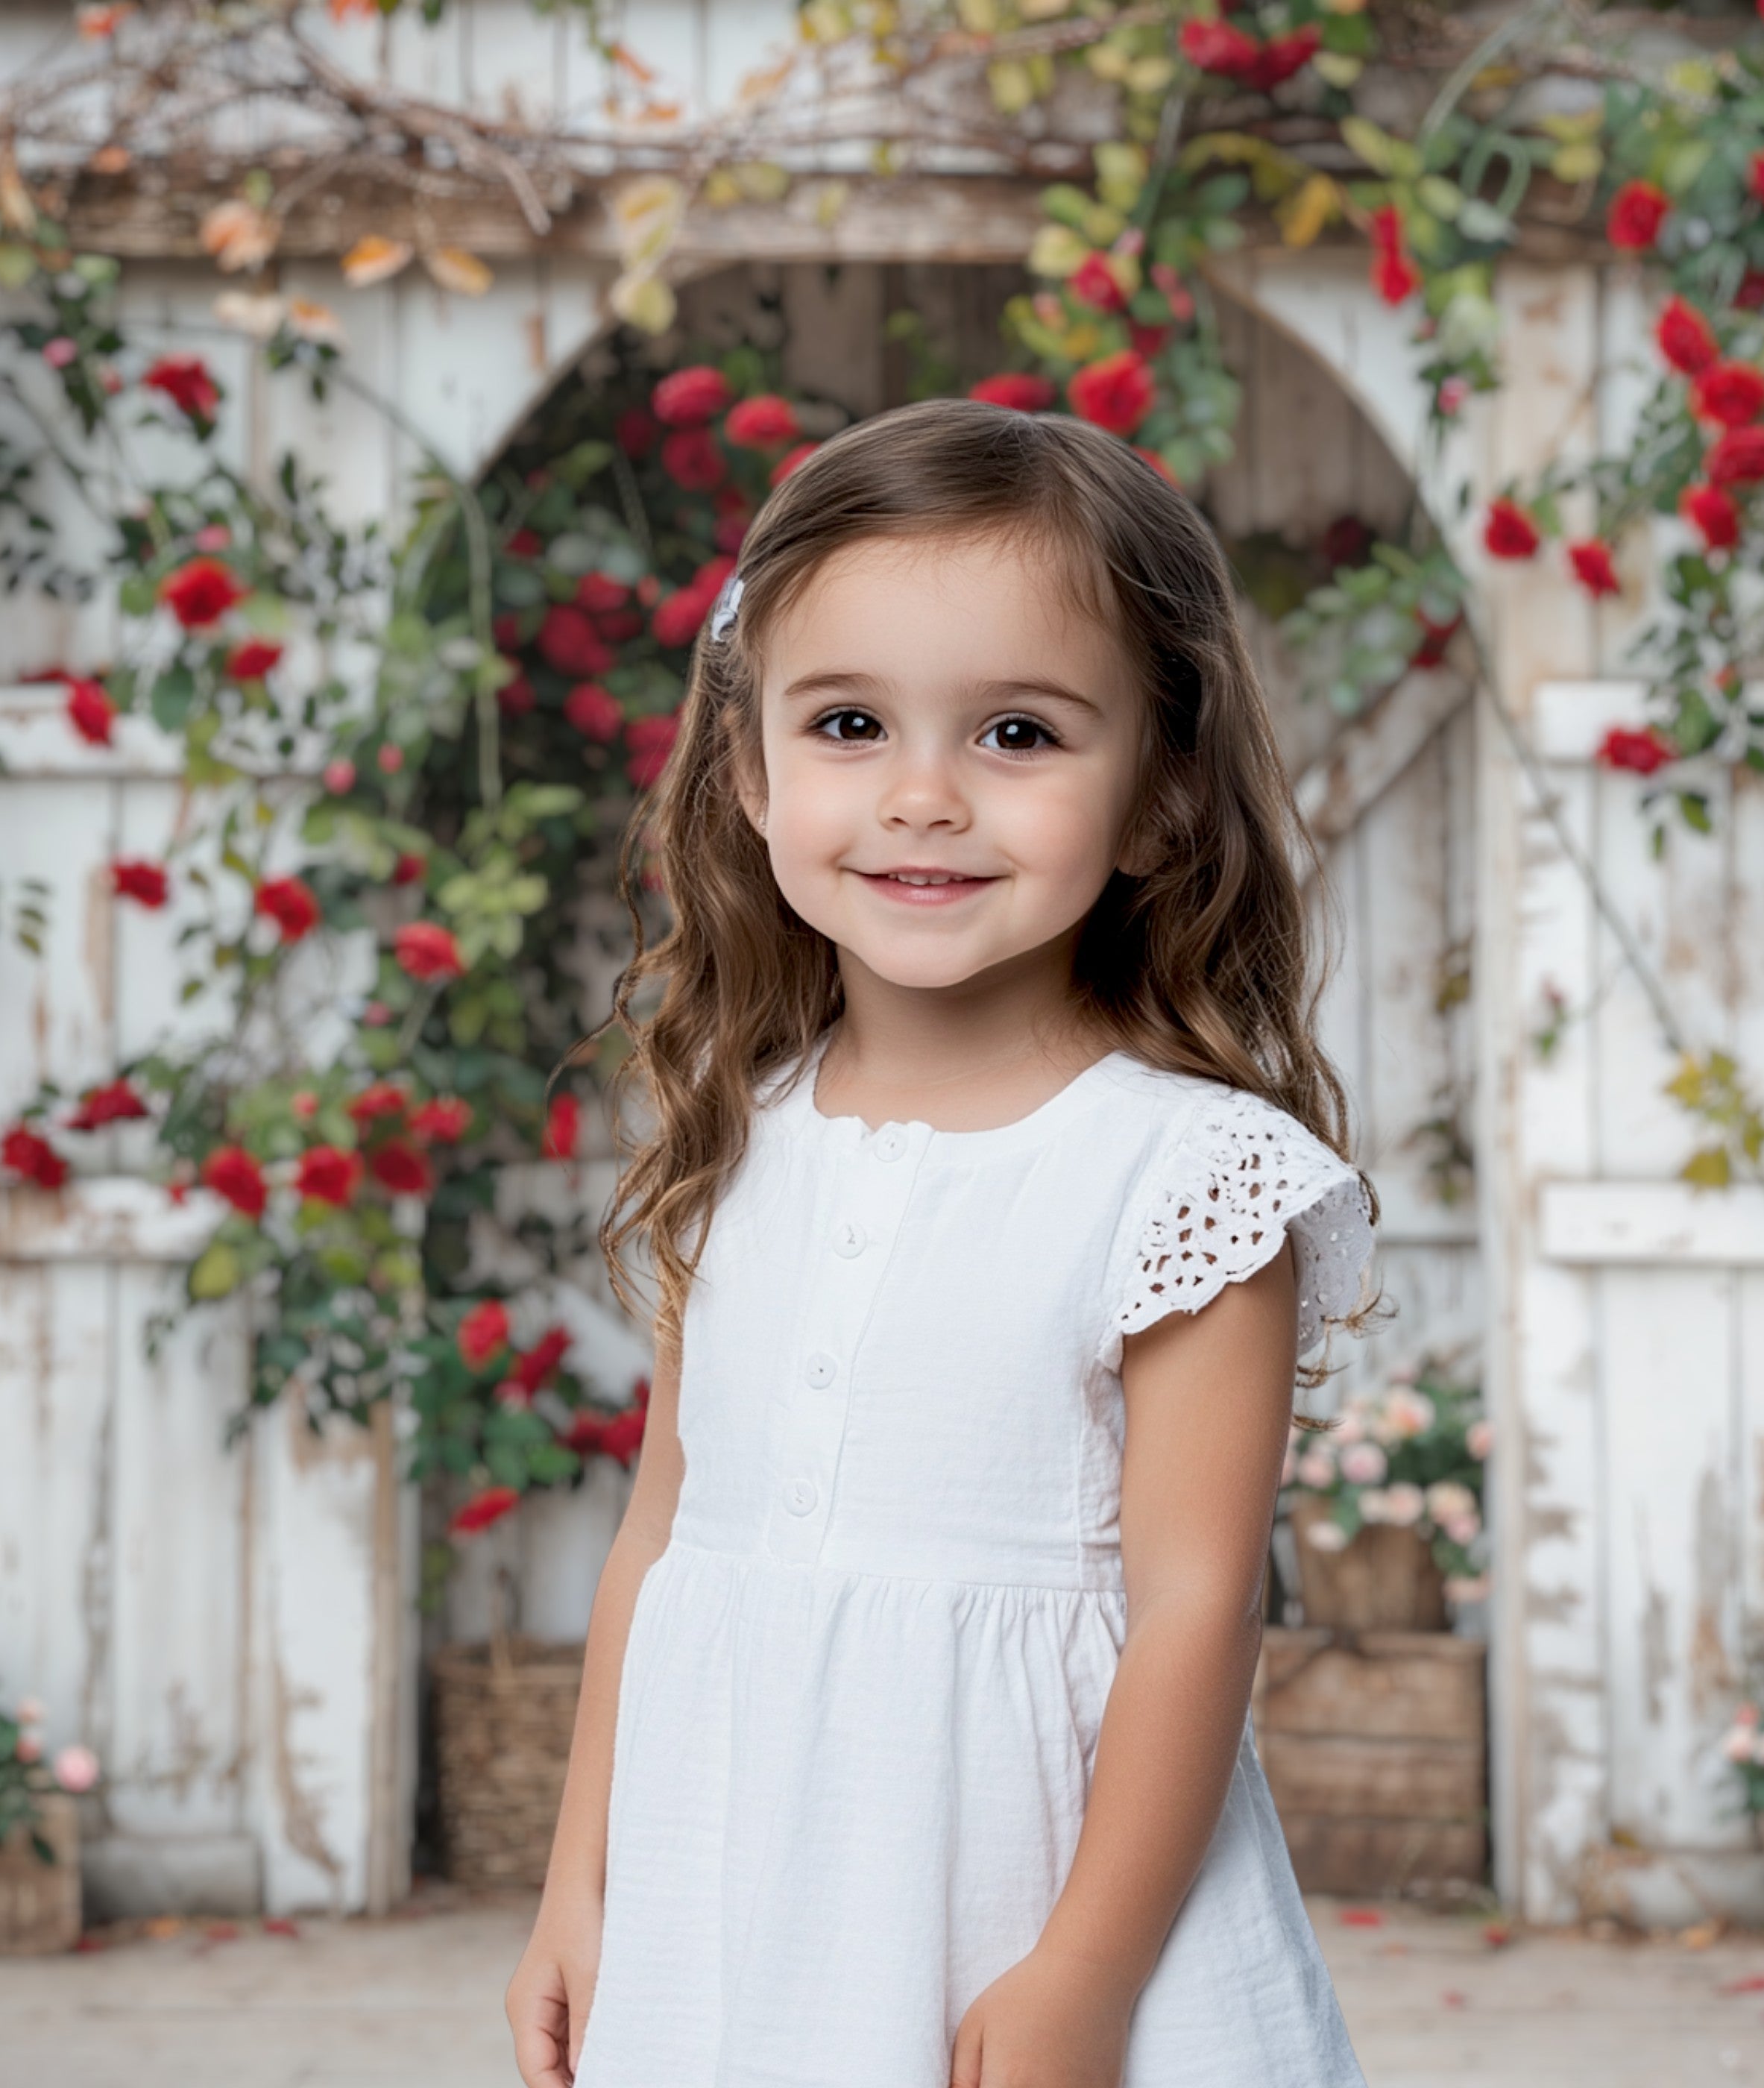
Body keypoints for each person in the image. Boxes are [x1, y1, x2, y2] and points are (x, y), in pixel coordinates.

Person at [505, 394, 1384, 2088]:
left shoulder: (1185, 1178)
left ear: (1154, 795)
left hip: (1036, 1911)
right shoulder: (737, 1131)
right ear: (749, 772)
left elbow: (1199, 1603)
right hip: (737, 1920)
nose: (922, 795)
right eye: (847, 722)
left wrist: (1082, 1971)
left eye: (1017, 735)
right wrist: (577, 1881)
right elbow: (664, 1538)